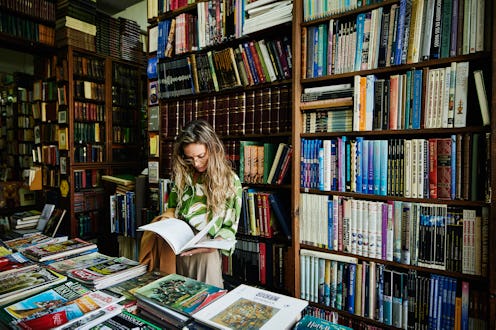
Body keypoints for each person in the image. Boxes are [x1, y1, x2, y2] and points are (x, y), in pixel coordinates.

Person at [139, 120, 242, 288]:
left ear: (213, 149)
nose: (196, 163)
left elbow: (229, 227)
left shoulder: (230, 181)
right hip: (176, 248)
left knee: (206, 304)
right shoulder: (183, 176)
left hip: (204, 252)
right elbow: (171, 208)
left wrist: (214, 244)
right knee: (174, 301)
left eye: (201, 156)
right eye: (190, 158)